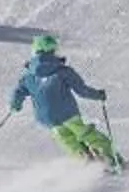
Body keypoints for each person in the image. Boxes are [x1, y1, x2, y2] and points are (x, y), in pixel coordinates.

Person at [10, 34, 122, 171]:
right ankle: (109, 157)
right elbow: (81, 90)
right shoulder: (62, 71)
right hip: (67, 113)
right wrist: (98, 95)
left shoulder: (28, 76)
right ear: (52, 51)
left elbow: (18, 92)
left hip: (47, 118)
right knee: (85, 133)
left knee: (67, 139)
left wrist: (15, 104)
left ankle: (85, 159)